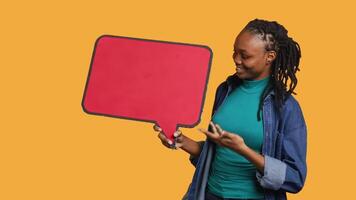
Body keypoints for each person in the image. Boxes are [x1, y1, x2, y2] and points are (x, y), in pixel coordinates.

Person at [153, 18, 307, 200]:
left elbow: (295, 178)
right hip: (209, 194)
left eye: (245, 55)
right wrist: (182, 141)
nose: (236, 60)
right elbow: (216, 153)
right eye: (234, 52)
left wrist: (244, 150)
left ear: (269, 57)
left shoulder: (286, 107)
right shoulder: (225, 90)